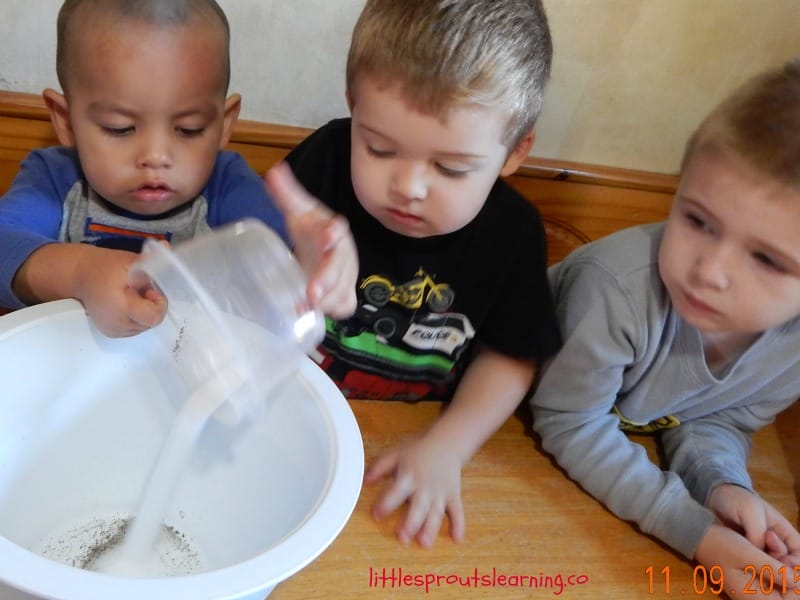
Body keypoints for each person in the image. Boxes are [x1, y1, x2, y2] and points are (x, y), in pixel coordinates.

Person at [284, 0, 561, 547]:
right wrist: (300, 247)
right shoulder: (325, 160)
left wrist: (448, 446)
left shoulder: (513, 233)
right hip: (295, 418)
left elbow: (512, 356)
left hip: (411, 437)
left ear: (515, 150)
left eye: (450, 168)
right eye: (379, 148)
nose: (408, 186)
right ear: (353, 107)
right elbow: (256, 243)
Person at [530, 58, 800, 598]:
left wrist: (721, 483)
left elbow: (711, 414)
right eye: (698, 221)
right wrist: (695, 532)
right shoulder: (617, 289)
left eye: (767, 259)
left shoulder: (791, 350)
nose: (709, 271)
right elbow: (568, 420)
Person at [0, 0, 357, 337]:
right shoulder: (53, 179)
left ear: (223, 124)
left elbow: (269, 262)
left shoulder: (227, 187)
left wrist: (308, 267)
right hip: (67, 366)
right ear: (65, 120)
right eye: (119, 128)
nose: (156, 156)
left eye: (189, 129)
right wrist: (80, 271)